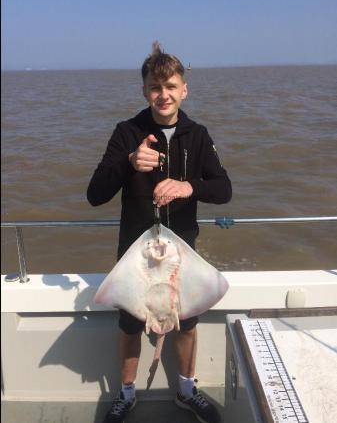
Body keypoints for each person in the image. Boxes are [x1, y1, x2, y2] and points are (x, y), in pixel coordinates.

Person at [87, 42, 232, 423]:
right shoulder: (126, 132)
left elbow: (224, 188)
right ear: (144, 91)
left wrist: (190, 187)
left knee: (186, 325)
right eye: (155, 87)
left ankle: (186, 389)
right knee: (131, 325)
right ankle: (127, 393)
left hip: (181, 256)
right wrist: (129, 162)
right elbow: (95, 194)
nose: (163, 94)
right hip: (135, 255)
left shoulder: (197, 135)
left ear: (184, 89)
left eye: (171, 86)